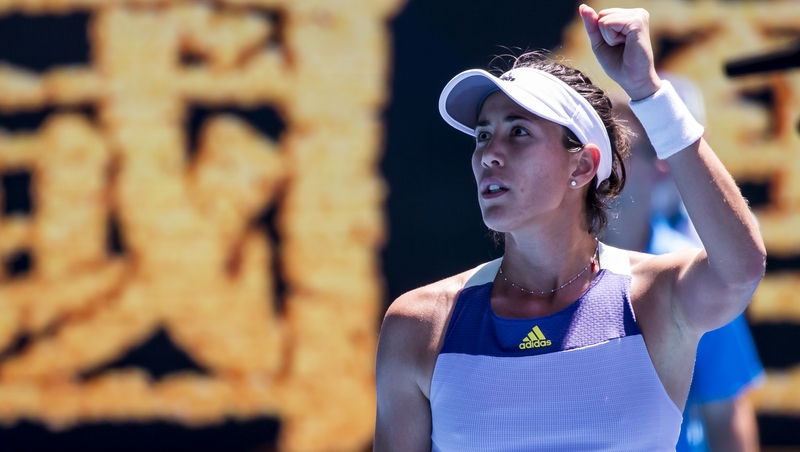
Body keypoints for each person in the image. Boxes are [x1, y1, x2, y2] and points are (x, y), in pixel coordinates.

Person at [374, 5, 766, 451]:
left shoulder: (655, 297)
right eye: (483, 135)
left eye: (518, 132)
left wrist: (649, 93)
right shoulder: (418, 324)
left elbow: (742, 266)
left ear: (582, 165)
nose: (489, 154)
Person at [606, 76, 764, 452]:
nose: (600, 159)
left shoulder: (697, 272)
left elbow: (727, 414)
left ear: (661, 164)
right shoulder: (547, 270)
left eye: (620, 145)